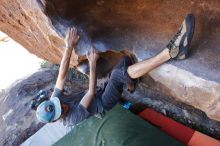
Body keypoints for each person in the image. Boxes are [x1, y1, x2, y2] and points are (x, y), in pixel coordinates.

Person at [36, 14, 195, 127]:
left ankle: (132, 84)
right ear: (57, 119)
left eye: (58, 104)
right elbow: (90, 93)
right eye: (60, 110)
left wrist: (69, 46)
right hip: (103, 102)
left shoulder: (54, 101)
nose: (62, 105)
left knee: (125, 61)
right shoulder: (72, 118)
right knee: (119, 75)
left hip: (99, 91)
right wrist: (92, 63)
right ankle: (171, 52)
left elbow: (62, 74)